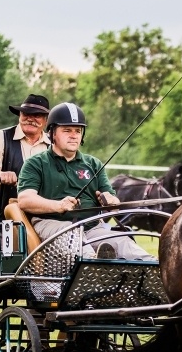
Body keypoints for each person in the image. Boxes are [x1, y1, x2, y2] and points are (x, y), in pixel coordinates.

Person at [17, 101, 155, 260]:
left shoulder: (93, 164)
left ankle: (152, 272)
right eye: (67, 130)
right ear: (53, 133)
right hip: (53, 224)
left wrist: (111, 201)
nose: (73, 135)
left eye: (78, 130)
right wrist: (58, 205)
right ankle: (96, 264)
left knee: (126, 245)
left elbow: (113, 202)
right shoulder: (36, 163)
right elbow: (25, 199)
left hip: (92, 227)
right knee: (82, 250)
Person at [0, 94, 51, 270]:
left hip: (40, 224)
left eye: (36, 115)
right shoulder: (0, 138)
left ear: (46, 120)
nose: (30, 118)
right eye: (25, 113)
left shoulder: (52, 146)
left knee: (41, 281)